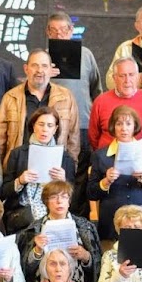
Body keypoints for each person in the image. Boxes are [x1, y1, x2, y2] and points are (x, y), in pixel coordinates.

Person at [46, 12, 104, 216]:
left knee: (81, 173)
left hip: (84, 124)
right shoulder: (43, 59)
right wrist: (45, 76)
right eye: (54, 31)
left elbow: (97, 88)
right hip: (53, 126)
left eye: (63, 30)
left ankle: (77, 217)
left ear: (71, 31)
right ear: (48, 32)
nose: (59, 35)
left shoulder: (86, 54)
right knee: (57, 171)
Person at [0, 49, 80, 166]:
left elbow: (73, 139)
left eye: (44, 66)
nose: (39, 70)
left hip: (55, 167)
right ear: (26, 69)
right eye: (35, 65)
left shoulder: (66, 97)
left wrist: (70, 169)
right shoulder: (10, 97)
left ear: (50, 69)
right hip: (18, 167)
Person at [86, 106, 142, 241]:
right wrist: (106, 181)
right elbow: (91, 193)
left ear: (135, 126)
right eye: (119, 124)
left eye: (128, 124)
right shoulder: (100, 155)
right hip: (111, 219)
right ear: (113, 127)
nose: (123, 128)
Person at [0, 107, 77, 233]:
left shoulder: (65, 157)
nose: (45, 129)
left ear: (55, 129)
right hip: (22, 211)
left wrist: (64, 181)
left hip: (53, 210)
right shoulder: (18, 153)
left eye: (50, 125)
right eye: (41, 124)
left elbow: (74, 197)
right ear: (33, 126)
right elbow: (3, 191)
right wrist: (20, 181)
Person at [17, 180, 103, 282]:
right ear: (46, 202)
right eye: (53, 197)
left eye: (64, 197)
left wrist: (86, 257)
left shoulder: (86, 227)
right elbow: (26, 269)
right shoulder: (33, 229)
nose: (59, 201)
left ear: (69, 201)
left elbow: (98, 267)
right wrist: (37, 251)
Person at [88, 57, 142, 150]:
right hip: (107, 159)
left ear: (137, 76)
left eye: (131, 75)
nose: (127, 80)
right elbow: (93, 137)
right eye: (122, 76)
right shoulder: (100, 101)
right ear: (114, 78)